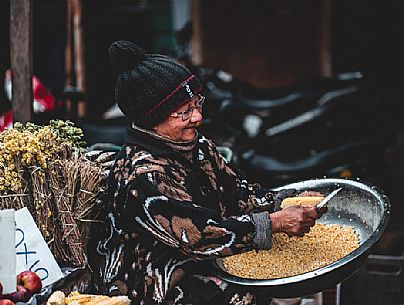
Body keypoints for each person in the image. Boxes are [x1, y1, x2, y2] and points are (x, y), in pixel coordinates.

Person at [89, 40, 327, 305]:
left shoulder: (195, 145)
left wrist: (288, 201)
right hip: (152, 280)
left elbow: (236, 193)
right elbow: (196, 235)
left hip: (200, 260)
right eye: (184, 112)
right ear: (152, 120)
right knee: (243, 298)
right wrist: (276, 222)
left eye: (197, 103)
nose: (197, 116)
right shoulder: (142, 174)